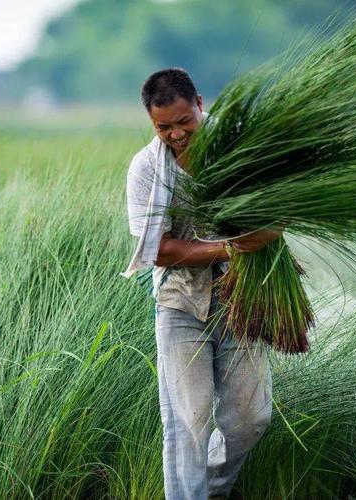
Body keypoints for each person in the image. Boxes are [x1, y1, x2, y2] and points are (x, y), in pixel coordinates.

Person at [121, 68, 280, 500]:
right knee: (187, 422)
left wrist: (274, 223)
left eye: (183, 122)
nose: (175, 134)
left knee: (251, 418)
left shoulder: (240, 146)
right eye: (163, 127)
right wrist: (230, 248)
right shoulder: (145, 169)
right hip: (179, 302)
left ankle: (209, 490)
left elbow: (275, 210)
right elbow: (158, 250)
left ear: (200, 105)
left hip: (242, 297)